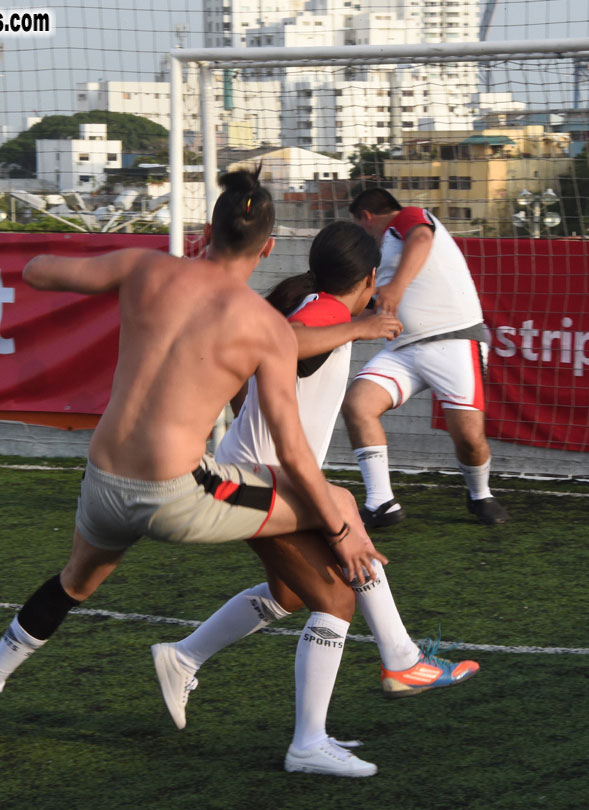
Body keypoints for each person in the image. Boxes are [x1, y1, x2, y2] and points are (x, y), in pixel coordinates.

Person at [0, 170, 386, 775]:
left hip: (103, 481)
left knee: (74, 583)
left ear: (207, 230)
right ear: (266, 248)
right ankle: (376, 676)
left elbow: (38, 271)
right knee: (332, 500)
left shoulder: (144, 268)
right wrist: (339, 528)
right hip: (177, 496)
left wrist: (108, 269)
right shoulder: (263, 326)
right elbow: (294, 452)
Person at [151, 223, 479, 775]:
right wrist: (361, 326)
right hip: (253, 481)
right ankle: (334, 720)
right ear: (370, 277)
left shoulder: (316, 304)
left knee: (290, 591)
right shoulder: (325, 311)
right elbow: (288, 340)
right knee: (336, 594)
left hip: (254, 475)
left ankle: (183, 657)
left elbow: (266, 356)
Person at [343, 188, 509, 527]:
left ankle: (480, 494)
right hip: (402, 350)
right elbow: (374, 305)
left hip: (454, 341)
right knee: (357, 405)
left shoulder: (409, 218)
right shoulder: (380, 255)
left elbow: (421, 238)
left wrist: (397, 286)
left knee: (468, 438)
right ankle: (381, 503)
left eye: (359, 225)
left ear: (366, 217)